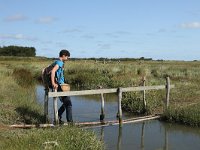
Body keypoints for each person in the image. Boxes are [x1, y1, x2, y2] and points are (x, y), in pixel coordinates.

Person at [51, 49, 73, 124]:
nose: (67, 59)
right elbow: (53, 71)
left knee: (66, 103)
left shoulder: (56, 61)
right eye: (67, 57)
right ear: (63, 56)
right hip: (60, 86)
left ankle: (58, 117)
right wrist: (53, 83)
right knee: (69, 104)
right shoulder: (60, 62)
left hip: (60, 85)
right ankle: (70, 122)